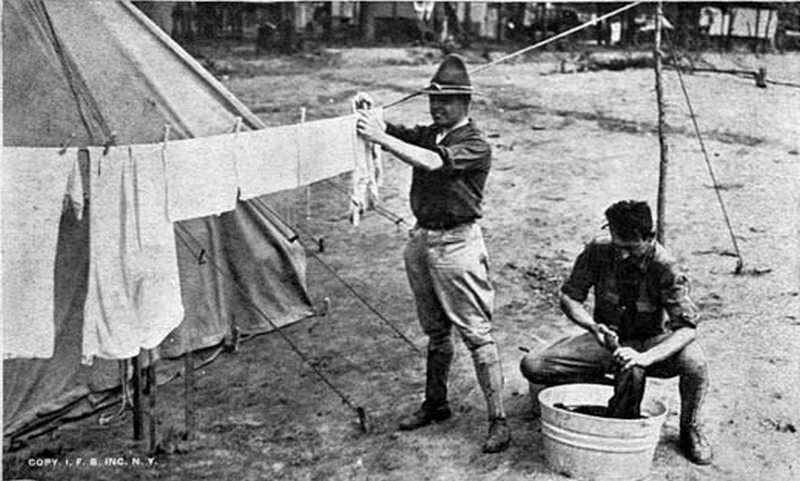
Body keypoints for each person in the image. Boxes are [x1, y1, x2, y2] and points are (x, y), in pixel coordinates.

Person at [355, 54, 510, 453]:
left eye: (446, 101)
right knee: (436, 332)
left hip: (458, 245)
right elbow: (400, 133)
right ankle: (436, 404)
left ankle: (499, 421)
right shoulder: (431, 133)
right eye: (433, 100)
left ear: (466, 103)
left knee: (476, 333)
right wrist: (373, 116)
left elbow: (430, 162)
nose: (437, 107)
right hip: (422, 241)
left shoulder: (475, 144)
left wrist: (381, 138)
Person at [519, 200, 713, 465]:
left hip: (651, 341)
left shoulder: (665, 267)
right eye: (618, 246)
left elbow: (687, 328)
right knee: (534, 364)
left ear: (650, 237)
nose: (622, 255)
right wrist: (591, 326)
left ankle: (689, 428)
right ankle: (604, 388)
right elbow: (570, 297)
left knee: (695, 363)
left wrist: (647, 357)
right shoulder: (598, 251)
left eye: (631, 248)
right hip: (607, 339)